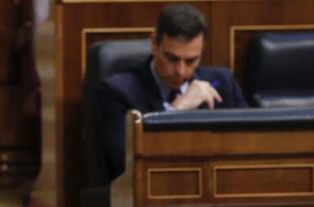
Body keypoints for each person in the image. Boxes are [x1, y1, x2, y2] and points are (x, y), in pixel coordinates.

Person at [94, 3, 247, 184]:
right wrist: (176, 110)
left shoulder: (223, 83)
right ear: (153, 44)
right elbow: (126, 164)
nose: (180, 71)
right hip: (152, 197)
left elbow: (248, 147)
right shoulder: (117, 92)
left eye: (191, 61)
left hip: (215, 193)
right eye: (172, 58)